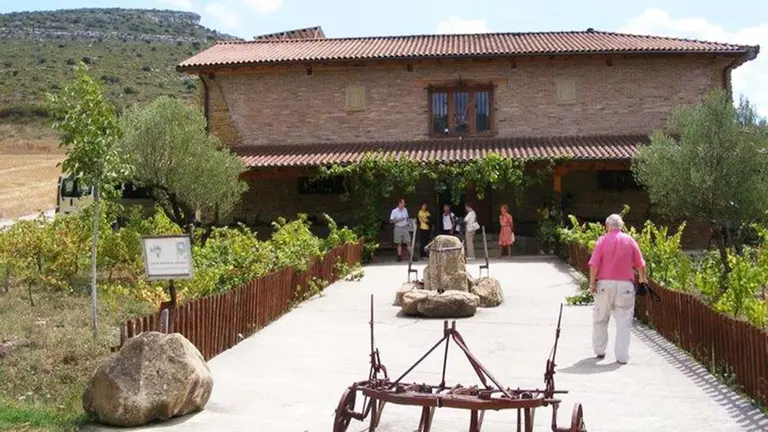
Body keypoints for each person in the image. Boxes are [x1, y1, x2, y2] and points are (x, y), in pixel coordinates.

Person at [588, 213, 647, 364]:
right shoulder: (630, 240)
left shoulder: (602, 241)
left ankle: (599, 350)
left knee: (601, 317)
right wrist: (642, 278)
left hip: (604, 285)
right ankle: (621, 356)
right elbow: (641, 263)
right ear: (622, 226)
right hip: (625, 286)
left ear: (607, 226)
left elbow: (594, 264)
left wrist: (592, 283)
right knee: (624, 321)